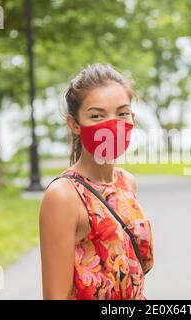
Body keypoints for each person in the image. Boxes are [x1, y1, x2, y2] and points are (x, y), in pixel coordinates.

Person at [39, 63, 154, 300]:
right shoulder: (63, 196)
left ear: (132, 117)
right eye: (97, 116)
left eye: (122, 113)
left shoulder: (126, 183)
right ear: (75, 125)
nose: (111, 124)